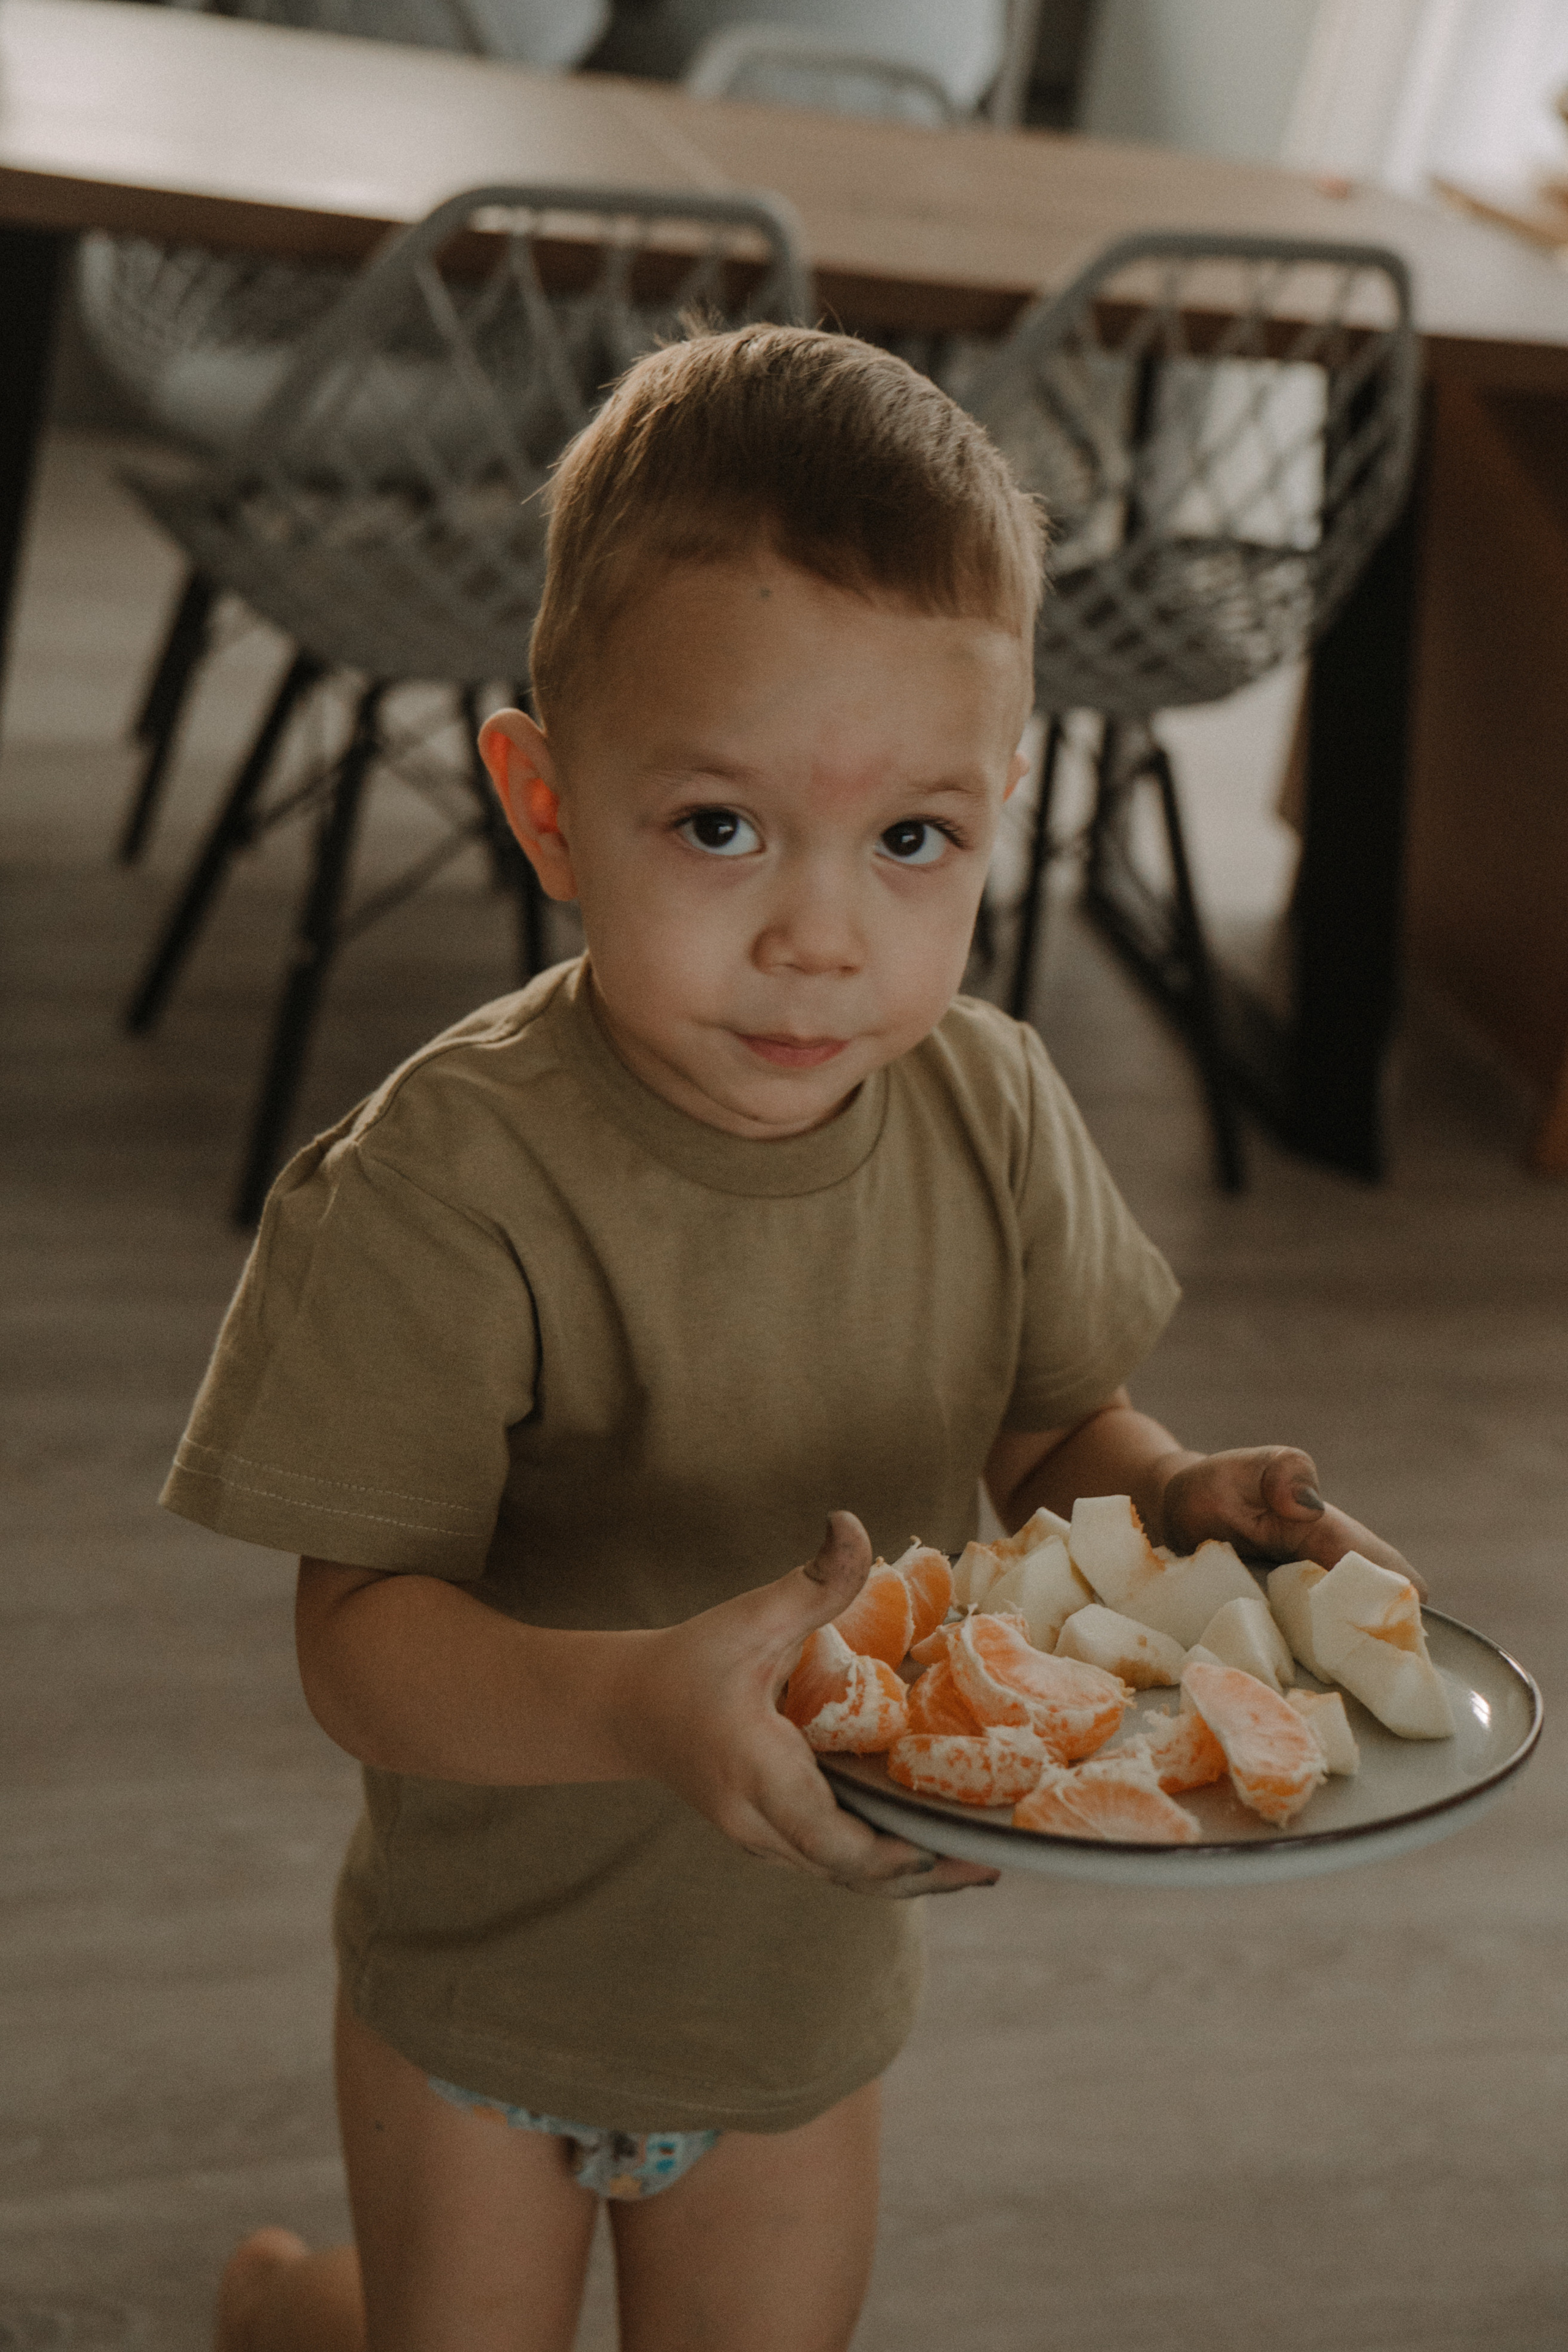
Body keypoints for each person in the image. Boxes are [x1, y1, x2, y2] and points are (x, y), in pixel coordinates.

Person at [168, 325, 1416, 2352]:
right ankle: (292, 2307)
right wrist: (637, 1709)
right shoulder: (443, 1181)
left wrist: (1176, 1497)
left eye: (914, 841)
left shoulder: (996, 1107)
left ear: (1001, 810)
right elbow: (356, 1650)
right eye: (723, 829)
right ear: (548, 804)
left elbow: (1050, 1435)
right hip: (484, 1985)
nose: (823, 937)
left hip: (801, 1995)